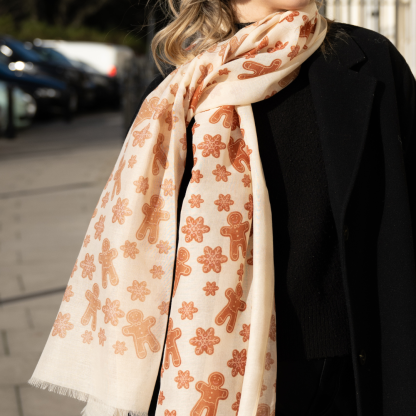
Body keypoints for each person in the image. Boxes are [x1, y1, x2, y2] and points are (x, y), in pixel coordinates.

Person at [29, 1, 416, 416]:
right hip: (217, 364)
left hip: (355, 370)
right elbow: (147, 248)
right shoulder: (180, 86)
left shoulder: (369, 58)